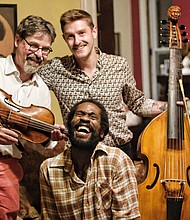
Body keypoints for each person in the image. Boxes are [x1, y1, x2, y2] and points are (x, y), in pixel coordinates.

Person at [38, 9, 167, 159]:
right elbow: (26, 81)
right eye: (70, 36)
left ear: (94, 31)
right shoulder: (55, 69)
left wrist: (169, 107)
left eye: (81, 33)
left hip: (119, 152)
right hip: (79, 156)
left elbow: (138, 103)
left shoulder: (118, 65)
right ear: (64, 38)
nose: (77, 41)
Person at [0, 15, 66, 219]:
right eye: (34, 46)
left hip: (6, 162)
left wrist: (51, 138)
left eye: (45, 49)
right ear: (18, 40)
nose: (39, 54)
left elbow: (38, 139)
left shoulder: (42, 91)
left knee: (8, 209)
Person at [40, 99, 140, 219]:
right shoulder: (48, 169)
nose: (85, 119)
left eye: (93, 117)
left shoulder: (117, 161)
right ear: (69, 127)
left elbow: (126, 217)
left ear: (102, 133)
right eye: (80, 114)